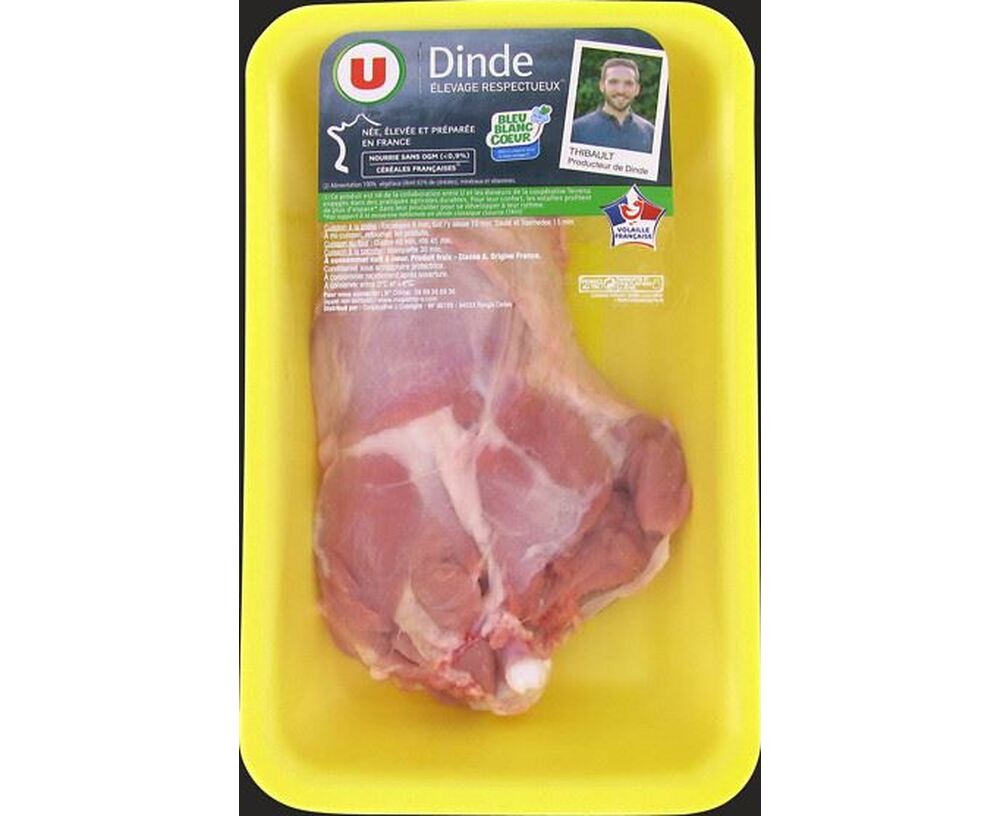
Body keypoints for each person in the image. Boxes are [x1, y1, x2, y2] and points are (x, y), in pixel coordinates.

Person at [570, 57, 655, 153]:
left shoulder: (651, 133)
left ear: (637, 89)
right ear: (602, 86)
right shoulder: (576, 131)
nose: (621, 90)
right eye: (613, 82)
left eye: (628, 83)